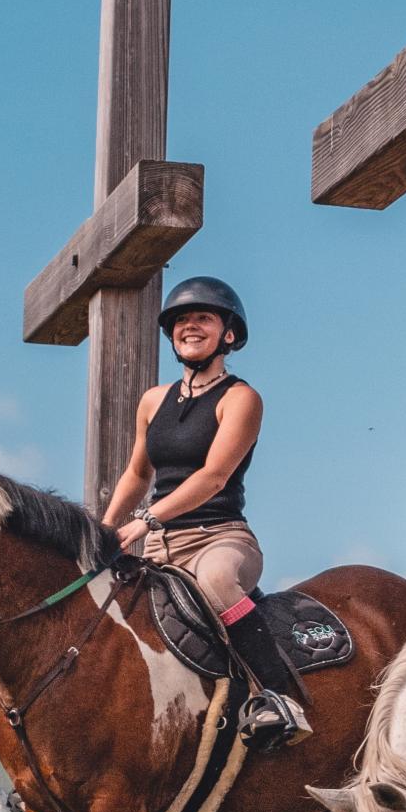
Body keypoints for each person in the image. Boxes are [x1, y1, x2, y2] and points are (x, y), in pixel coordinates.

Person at [102, 276, 308, 751]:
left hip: (220, 538)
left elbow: (214, 476)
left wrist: (148, 519)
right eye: (180, 320)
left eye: (203, 318)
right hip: (158, 546)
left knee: (217, 580)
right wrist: (104, 527)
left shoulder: (241, 398)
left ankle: (276, 696)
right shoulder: (153, 400)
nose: (189, 326)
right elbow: (137, 473)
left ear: (228, 333)